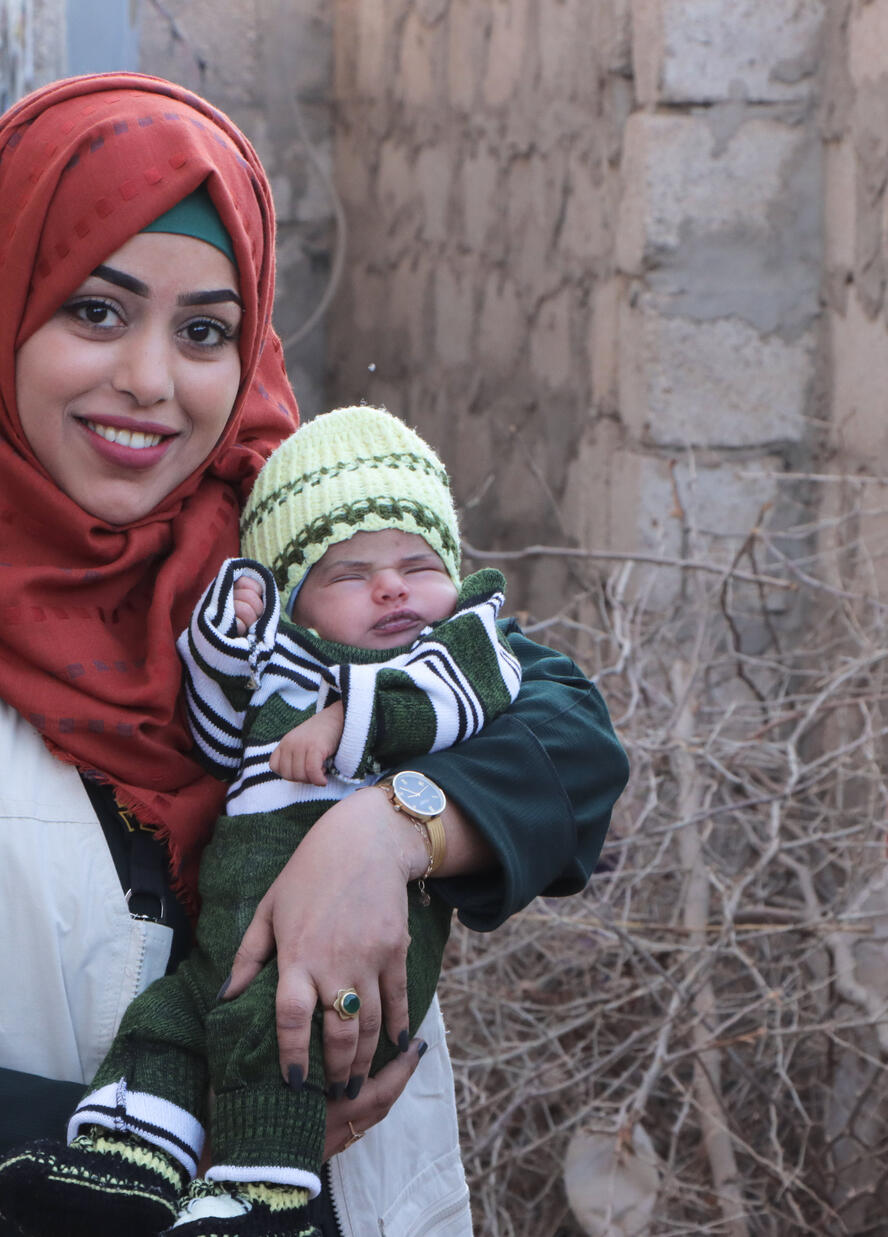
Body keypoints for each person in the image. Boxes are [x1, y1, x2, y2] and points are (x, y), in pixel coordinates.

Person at [0, 71, 629, 1237]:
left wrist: (389, 831)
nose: (148, 379)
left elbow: (566, 733)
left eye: (203, 330)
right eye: (94, 309)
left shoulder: (292, 549)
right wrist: (229, 1126)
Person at [0, 405, 523, 1237]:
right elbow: (212, 735)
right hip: (235, 924)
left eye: (418, 563)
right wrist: (231, 629)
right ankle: (125, 1162)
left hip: (347, 955)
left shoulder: (454, 642)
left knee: (274, 1040)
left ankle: (262, 1197)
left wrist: (347, 722)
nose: (392, 587)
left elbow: (457, 698)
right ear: (301, 601)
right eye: (351, 573)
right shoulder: (290, 658)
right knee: (171, 1020)